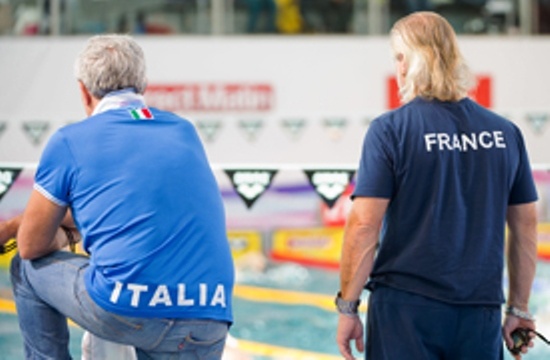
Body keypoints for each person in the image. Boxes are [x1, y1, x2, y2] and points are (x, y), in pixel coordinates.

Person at [3, 34, 235, 359]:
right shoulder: (184, 131)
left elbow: (31, 245)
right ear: (144, 86)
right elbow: (130, 209)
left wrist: (32, 229)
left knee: (25, 268)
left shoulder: (71, 141)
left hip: (129, 310)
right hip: (210, 317)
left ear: (83, 91)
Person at [335, 11, 538, 360]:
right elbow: (525, 225)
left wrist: (348, 306)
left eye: (400, 57)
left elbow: (364, 224)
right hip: (481, 311)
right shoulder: (505, 134)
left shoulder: (390, 131)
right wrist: (518, 309)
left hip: (406, 309)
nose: (397, 68)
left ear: (410, 61)